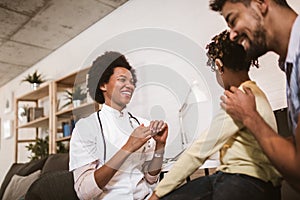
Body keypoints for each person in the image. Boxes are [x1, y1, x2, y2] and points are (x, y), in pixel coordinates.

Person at [149, 30, 281, 200]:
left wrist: (156, 194)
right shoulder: (255, 93)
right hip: (261, 181)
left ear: (219, 65)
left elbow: (199, 151)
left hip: (241, 181)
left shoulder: (239, 99)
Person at [209, 0, 300, 190]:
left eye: (233, 20)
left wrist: (249, 116)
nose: (232, 35)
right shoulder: (291, 65)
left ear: (260, 3)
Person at [69, 51, 168, 199]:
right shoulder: (86, 128)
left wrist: (160, 146)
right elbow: (84, 192)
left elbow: (151, 178)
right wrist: (129, 146)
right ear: (103, 84)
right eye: (122, 80)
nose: (130, 86)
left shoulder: (142, 124)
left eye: (131, 81)